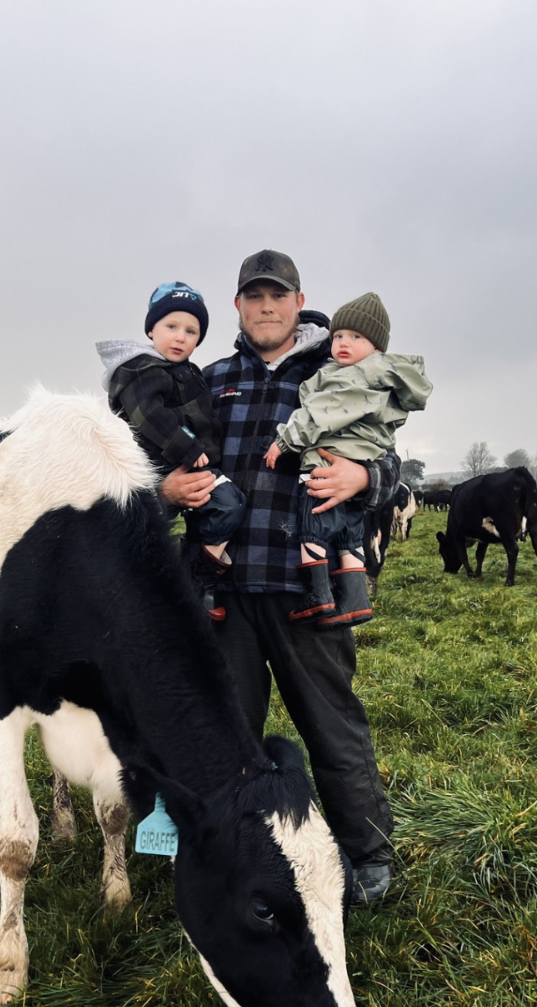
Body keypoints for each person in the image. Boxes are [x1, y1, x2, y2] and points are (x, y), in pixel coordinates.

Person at [160, 250, 397, 905]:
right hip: (223, 595)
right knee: (228, 737)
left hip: (306, 592)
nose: (266, 307)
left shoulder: (339, 371)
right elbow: (160, 462)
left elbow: (390, 466)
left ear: (299, 302)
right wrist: (168, 489)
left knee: (332, 728)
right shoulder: (208, 380)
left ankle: (368, 854)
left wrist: (362, 477)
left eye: (278, 295)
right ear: (237, 306)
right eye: (254, 296)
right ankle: (239, 858)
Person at [264, 292, 432, 627]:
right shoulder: (380, 380)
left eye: (356, 337)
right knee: (349, 538)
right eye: (338, 336)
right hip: (243, 590)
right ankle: (355, 599)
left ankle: (319, 594)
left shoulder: (349, 376)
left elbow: (319, 413)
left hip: (323, 473)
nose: (343, 343)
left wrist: (365, 477)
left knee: (312, 526)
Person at [98, 281, 245, 620]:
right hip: (152, 470)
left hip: (194, 466)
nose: (181, 337)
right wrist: (188, 448)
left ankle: (195, 584)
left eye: (191, 331)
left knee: (227, 506)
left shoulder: (192, 374)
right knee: (140, 539)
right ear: (151, 329)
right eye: (171, 326)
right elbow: (148, 415)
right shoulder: (138, 369)